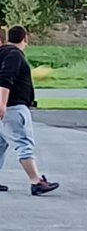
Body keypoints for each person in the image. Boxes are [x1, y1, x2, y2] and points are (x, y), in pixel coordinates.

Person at [0, 25, 59, 196]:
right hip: (13, 107)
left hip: (6, 108)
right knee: (23, 143)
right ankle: (36, 181)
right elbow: (5, 79)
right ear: (25, 38)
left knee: (1, 144)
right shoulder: (14, 54)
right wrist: (2, 103)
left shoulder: (3, 53)